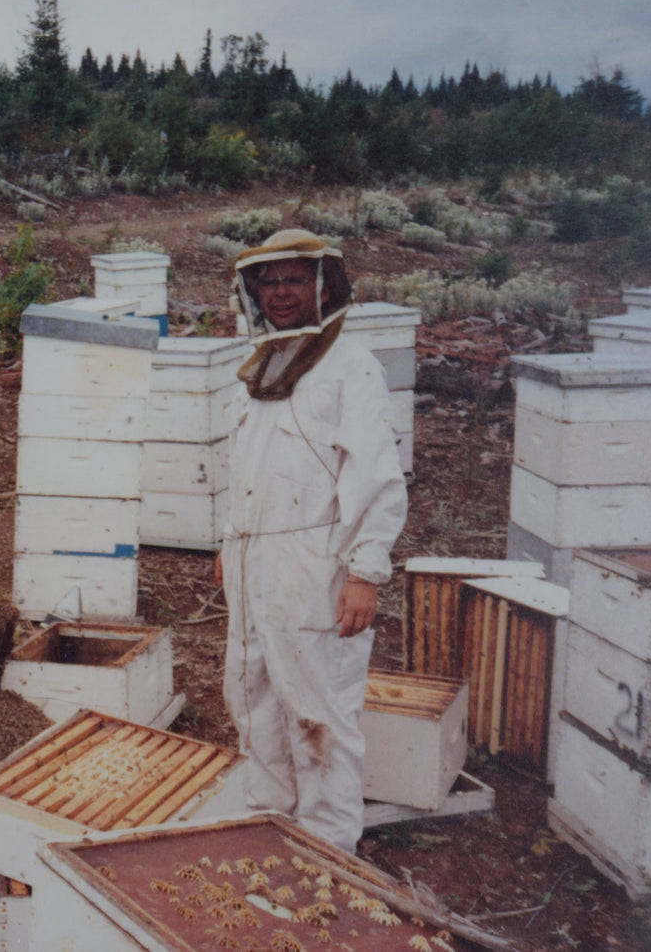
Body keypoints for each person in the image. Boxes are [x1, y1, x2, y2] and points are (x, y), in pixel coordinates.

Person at [217, 228, 408, 853]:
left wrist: (365, 571)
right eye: (268, 281)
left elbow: (376, 472)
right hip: (254, 562)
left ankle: (328, 851)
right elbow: (244, 474)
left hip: (314, 565)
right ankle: (271, 827)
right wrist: (229, 548)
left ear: (324, 285)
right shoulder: (263, 365)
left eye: (294, 279)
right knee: (254, 696)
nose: (280, 292)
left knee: (318, 711)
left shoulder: (351, 367)